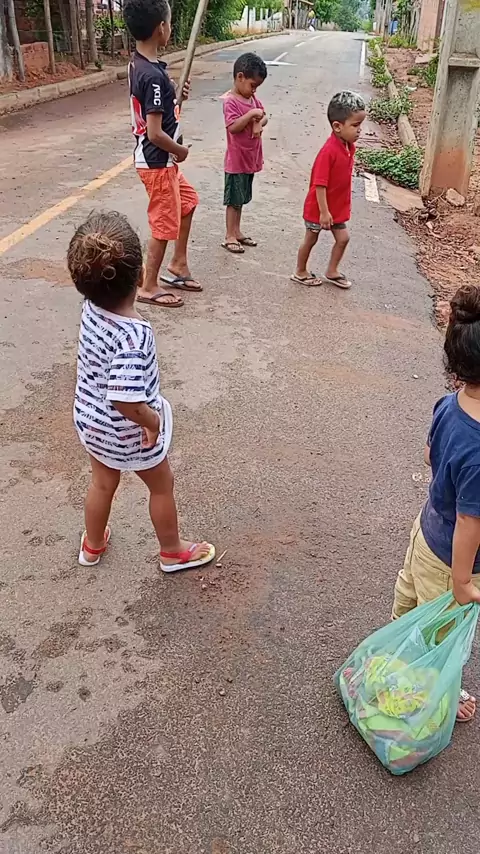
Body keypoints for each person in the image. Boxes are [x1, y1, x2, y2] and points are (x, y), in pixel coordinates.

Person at [69, 210, 215, 573]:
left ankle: (92, 545)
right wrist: (151, 421)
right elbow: (126, 399)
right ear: (140, 275)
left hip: (91, 421)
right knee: (162, 485)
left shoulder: (91, 309)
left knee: (103, 482)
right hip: (128, 430)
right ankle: (172, 551)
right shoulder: (134, 337)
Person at [392, 284, 480, 722]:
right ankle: (434, 685)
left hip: (426, 533)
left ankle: (396, 655)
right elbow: (470, 521)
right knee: (443, 629)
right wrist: (462, 581)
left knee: (410, 600)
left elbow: (430, 455)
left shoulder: (448, 405)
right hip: (452, 561)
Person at [124, 0, 200, 309]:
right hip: (158, 160)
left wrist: (174, 97)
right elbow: (155, 133)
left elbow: (156, 105)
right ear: (162, 28)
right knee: (164, 222)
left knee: (188, 202)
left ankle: (178, 265)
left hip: (158, 160)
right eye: (169, 22)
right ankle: (149, 286)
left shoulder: (142, 65)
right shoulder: (153, 76)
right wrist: (180, 150)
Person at [291, 90, 366, 289]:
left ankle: (332, 271)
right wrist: (324, 212)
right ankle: (300, 271)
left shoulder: (348, 147)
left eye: (360, 125)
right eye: (355, 125)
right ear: (337, 126)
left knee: (343, 238)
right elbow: (320, 184)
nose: (359, 130)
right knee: (311, 238)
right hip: (319, 208)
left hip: (336, 208)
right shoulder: (328, 152)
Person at [222, 53, 268, 254]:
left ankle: (237, 231)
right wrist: (251, 116)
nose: (254, 90)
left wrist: (258, 122)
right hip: (236, 160)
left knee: (241, 199)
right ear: (240, 77)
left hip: (250, 158)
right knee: (233, 201)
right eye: (252, 85)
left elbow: (264, 116)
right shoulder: (230, 101)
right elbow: (233, 127)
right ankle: (229, 235)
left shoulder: (252, 99)